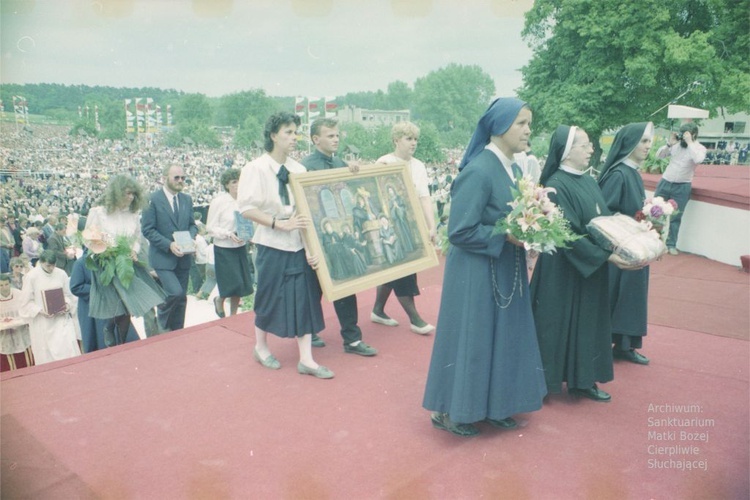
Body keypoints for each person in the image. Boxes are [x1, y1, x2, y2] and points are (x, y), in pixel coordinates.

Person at [422, 98, 547, 436]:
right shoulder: (478, 169)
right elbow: (459, 230)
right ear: (499, 126)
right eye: (521, 123)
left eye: (529, 123)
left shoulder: (517, 169)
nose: (527, 130)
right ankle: (451, 410)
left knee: (503, 336)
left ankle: (495, 405)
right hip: (474, 272)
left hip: (506, 266)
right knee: (472, 337)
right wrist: (507, 233)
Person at [237, 111, 333, 379]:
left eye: (295, 132)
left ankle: (306, 359)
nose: (294, 138)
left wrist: (313, 250)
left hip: (298, 245)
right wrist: (279, 224)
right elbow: (245, 208)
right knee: (267, 297)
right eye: (288, 132)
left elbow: (306, 213)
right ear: (273, 136)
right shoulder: (255, 168)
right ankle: (261, 347)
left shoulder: (299, 170)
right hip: (270, 243)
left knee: (305, 299)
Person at [530, 125, 615, 402]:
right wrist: (604, 255)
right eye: (584, 145)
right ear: (567, 152)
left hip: (589, 268)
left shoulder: (590, 181)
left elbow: (602, 220)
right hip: (562, 270)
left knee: (588, 324)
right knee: (554, 325)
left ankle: (583, 380)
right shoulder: (556, 184)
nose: (591, 149)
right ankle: (544, 382)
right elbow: (566, 231)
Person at [300, 117, 377, 357]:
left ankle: (352, 339)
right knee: (313, 289)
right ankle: (308, 330)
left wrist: (352, 173)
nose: (336, 139)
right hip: (316, 239)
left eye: (337, 135)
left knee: (345, 284)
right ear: (315, 139)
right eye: (330, 135)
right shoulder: (305, 167)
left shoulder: (341, 162)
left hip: (339, 239)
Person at [85, 175, 166, 346]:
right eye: (127, 193)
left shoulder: (133, 214)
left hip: (127, 262)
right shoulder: (98, 213)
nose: (131, 197)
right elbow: (88, 238)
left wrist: (134, 251)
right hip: (105, 263)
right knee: (117, 307)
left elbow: (136, 237)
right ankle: (108, 328)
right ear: (116, 193)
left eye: (133, 194)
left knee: (128, 306)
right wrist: (105, 248)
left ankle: (121, 343)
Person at [598, 122, 655, 366]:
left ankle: (625, 345)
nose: (648, 146)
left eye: (649, 141)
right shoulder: (619, 174)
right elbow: (606, 214)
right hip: (621, 250)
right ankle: (614, 345)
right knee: (620, 297)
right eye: (643, 141)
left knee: (632, 297)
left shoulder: (632, 172)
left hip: (635, 247)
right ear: (629, 143)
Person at [372, 121, 436, 335]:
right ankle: (415, 318)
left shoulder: (418, 166)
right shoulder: (384, 161)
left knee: (398, 266)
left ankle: (378, 310)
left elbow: (425, 197)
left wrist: (431, 225)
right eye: (409, 139)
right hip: (390, 225)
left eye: (415, 139)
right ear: (396, 140)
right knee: (404, 267)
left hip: (410, 224)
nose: (413, 143)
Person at [142, 164, 198, 332]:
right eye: (177, 177)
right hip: (163, 258)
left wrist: (191, 238)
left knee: (181, 299)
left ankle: (178, 333)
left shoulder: (186, 199)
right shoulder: (152, 199)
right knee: (174, 293)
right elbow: (148, 229)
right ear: (165, 177)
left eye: (183, 178)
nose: (181, 181)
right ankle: (163, 328)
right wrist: (169, 244)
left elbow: (192, 225)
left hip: (184, 257)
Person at [206, 168, 254, 318]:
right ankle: (219, 299)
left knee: (241, 284)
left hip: (240, 246)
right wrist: (228, 234)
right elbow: (210, 228)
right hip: (224, 248)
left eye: (240, 181)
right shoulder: (219, 202)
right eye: (234, 182)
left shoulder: (246, 201)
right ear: (227, 185)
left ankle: (234, 315)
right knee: (231, 283)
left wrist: (248, 236)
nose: (238, 184)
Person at [18, 250, 80, 365]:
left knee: (68, 350)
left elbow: (68, 295)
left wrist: (66, 304)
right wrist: (40, 311)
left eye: (54, 265)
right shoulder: (31, 277)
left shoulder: (61, 273)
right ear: (41, 262)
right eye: (48, 265)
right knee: (47, 357)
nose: (51, 268)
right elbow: (25, 303)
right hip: (43, 322)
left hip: (61, 320)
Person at [654, 122, 707, 255]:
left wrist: (690, 143)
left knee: (675, 216)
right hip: (665, 182)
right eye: (682, 134)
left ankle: (671, 244)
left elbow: (698, 159)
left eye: (686, 135)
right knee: (655, 211)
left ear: (693, 135)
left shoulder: (699, 148)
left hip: (682, 186)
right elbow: (659, 156)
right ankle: (653, 241)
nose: (683, 137)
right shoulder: (676, 146)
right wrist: (669, 144)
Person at [69, 249, 108, 352]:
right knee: (97, 339)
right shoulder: (80, 263)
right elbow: (75, 287)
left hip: (108, 303)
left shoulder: (106, 259)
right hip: (90, 305)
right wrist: (96, 289)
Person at [0, 273, 34, 371]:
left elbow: (26, 310)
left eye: (6, 284)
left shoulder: (18, 294)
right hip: (4, 334)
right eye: (1, 285)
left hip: (20, 330)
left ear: (10, 284)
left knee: (26, 360)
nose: (4, 288)